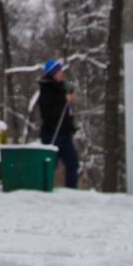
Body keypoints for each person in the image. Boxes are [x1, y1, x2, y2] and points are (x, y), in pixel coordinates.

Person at [36, 59, 80, 189]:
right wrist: (63, 100)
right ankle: (43, 188)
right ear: (52, 74)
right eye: (59, 71)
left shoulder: (60, 87)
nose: (61, 73)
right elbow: (49, 113)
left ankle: (72, 190)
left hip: (64, 133)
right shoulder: (47, 89)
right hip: (52, 134)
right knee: (50, 165)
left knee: (72, 163)